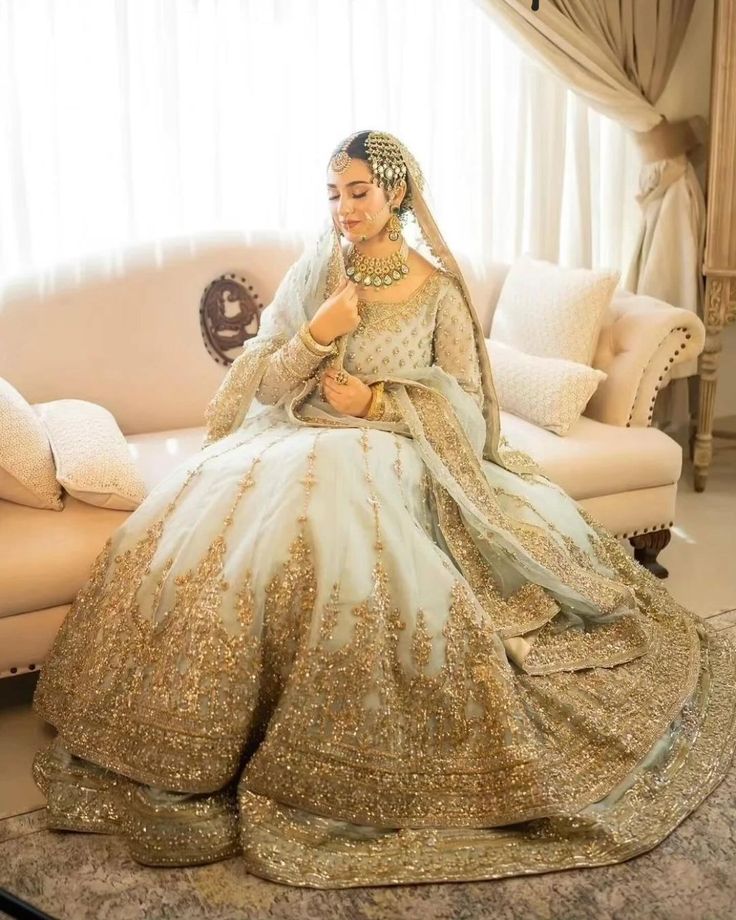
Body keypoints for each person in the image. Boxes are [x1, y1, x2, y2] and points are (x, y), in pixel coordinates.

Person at [31, 130, 736, 889]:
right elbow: (265, 386)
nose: (343, 209)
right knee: (245, 550)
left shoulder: (437, 290)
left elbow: (470, 408)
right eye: (334, 194)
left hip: (404, 453)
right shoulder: (316, 271)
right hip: (297, 441)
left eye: (358, 192)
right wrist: (314, 334)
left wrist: (379, 400)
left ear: (396, 193)